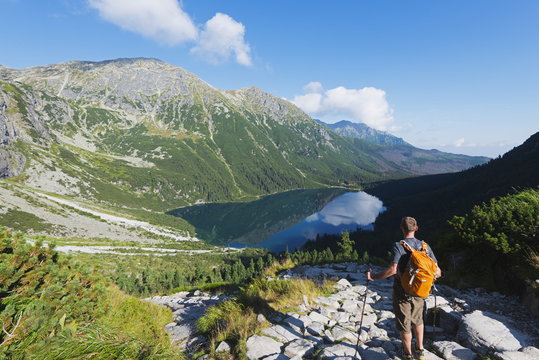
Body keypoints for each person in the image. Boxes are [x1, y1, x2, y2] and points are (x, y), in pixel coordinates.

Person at [366, 217, 441, 360]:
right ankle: (420, 350)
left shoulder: (399, 245)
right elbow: (438, 271)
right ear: (416, 228)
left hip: (402, 290)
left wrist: (373, 277)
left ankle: (407, 354)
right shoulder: (425, 246)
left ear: (401, 228)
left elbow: (393, 270)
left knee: (404, 323)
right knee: (418, 320)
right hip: (420, 291)